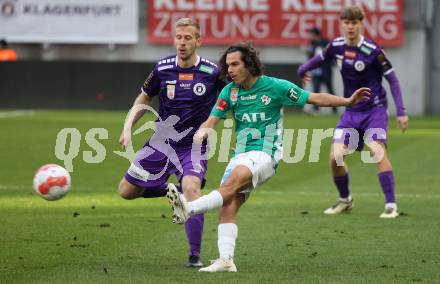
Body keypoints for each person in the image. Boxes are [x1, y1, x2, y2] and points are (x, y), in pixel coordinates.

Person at [166, 42, 371, 272]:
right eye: (228, 65)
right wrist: (204, 130)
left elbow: (315, 97)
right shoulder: (230, 91)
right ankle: (226, 260)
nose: (230, 69)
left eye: (235, 64)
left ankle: (189, 208)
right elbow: (213, 119)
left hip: (266, 154)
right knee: (228, 205)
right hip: (240, 154)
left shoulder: (275, 87)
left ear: (249, 64)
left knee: (231, 185)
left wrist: (347, 101)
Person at [117, 18, 225, 267]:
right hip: (161, 141)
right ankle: (168, 190)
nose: (182, 42)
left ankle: (194, 256)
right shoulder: (162, 68)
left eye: (188, 38)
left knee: (191, 189)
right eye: (179, 37)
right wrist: (127, 128)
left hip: (194, 144)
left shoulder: (212, 72)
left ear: (198, 41)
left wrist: (214, 126)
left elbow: (228, 100)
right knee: (126, 191)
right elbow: (143, 99)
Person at [297, 5, 409, 218]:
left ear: (361, 24)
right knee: (335, 157)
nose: (350, 27)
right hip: (350, 112)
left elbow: (392, 79)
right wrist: (303, 69)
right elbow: (317, 60)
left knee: (376, 150)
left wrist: (401, 111)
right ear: (341, 24)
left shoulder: (373, 50)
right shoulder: (336, 46)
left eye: (354, 22)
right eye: (347, 22)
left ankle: (391, 205)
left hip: (374, 109)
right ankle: (345, 200)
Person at [305, 27, 337, 114]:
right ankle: (315, 108)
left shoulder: (326, 43)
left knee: (330, 89)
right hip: (315, 71)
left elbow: (331, 56)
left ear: (315, 34)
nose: (309, 36)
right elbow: (310, 57)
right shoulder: (312, 44)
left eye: (310, 34)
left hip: (326, 70)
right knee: (315, 90)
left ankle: (334, 109)